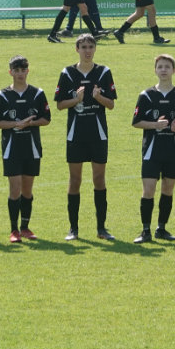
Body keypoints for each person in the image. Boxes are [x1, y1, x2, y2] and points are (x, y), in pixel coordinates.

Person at [55, 33, 117, 240]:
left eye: (91, 46)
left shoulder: (103, 72)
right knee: (75, 180)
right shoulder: (67, 73)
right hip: (76, 133)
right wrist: (76, 99)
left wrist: (99, 97)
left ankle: (101, 228)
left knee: (99, 179)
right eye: (83, 47)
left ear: (95, 49)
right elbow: (60, 105)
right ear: (77, 49)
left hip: (98, 133)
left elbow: (111, 104)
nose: (87, 50)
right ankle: (74, 229)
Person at [131, 54, 175, 243]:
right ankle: (145, 230)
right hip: (151, 150)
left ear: (174, 70)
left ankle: (162, 228)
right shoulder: (146, 95)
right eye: (160, 67)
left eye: (167, 66)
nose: (163, 70)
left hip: (172, 151)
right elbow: (137, 122)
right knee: (148, 189)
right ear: (155, 70)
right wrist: (155, 125)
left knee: (168, 189)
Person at [0, 55, 51, 242]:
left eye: (23, 70)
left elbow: (46, 119)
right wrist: (16, 124)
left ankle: (25, 227)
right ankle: (14, 230)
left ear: (28, 71)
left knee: (27, 189)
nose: (20, 74)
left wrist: (30, 124)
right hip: (11, 148)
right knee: (14, 188)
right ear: (10, 72)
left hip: (31, 147)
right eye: (16, 70)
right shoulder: (2, 95)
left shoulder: (37, 93)